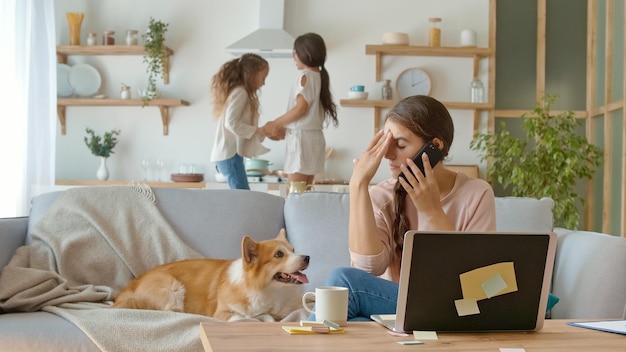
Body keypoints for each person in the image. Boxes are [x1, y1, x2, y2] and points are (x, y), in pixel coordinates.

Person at [325, 95, 497, 321]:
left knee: (343, 281)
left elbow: (475, 281)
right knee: (355, 322)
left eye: (400, 144)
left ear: (434, 147)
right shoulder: (381, 195)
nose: (388, 154)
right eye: (386, 143)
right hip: (397, 312)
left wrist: (432, 211)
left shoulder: (477, 193)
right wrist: (358, 185)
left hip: (457, 308)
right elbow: (368, 269)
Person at [262, 33, 338, 188]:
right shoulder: (319, 76)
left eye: (295, 52)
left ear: (306, 53)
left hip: (301, 141)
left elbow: (301, 108)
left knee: (295, 195)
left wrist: (275, 124)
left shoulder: (305, 76)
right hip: (314, 139)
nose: (293, 56)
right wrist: (286, 128)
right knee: (305, 193)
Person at [210, 53, 278, 189]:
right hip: (229, 155)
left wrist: (261, 132)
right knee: (242, 197)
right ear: (252, 74)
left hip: (229, 155)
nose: (264, 83)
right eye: (263, 77)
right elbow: (231, 122)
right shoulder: (240, 92)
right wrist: (258, 130)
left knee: (241, 196)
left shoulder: (239, 92)